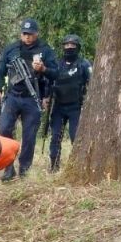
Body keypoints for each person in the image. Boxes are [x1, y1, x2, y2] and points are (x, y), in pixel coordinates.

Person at [0, 18, 58, 180]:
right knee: (4, 128)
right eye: (24, 33)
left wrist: (43, 69)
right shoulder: (11, 49)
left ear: (37, 34)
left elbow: (55, 73)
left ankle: (24, 169)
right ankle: (8, 167)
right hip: (13, 96)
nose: (27, 37)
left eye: (30, 34)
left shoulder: (46, 50)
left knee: (29, 136)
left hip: (33, 98)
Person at [48, 34, 92, 172]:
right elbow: (48, 82)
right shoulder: (56, 64)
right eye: (67, 45)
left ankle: (77, 167)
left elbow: (92, 83)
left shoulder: (84, 64)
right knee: (55, 137)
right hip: (58, 107)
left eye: (73, 45)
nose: (69, 47)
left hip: (76, 107)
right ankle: (54, 166)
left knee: (76, 138)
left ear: (77, 47)